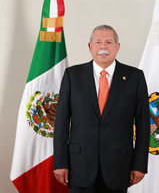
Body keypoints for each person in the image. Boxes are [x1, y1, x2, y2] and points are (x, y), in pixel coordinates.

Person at [53, 25, 150, 193]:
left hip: (119, 167)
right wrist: (60, 163)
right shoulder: (72, 75)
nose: (103, 47)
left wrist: (140, 165)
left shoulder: (135, 77)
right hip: (79, 166)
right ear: (90, 47)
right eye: (98, 42)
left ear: (117, 47)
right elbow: (61, 122)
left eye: (109, 42)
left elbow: (143, 125)